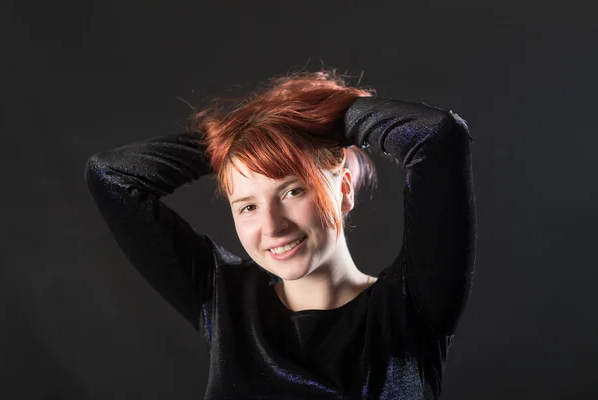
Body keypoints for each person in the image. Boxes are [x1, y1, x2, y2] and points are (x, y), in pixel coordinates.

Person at [85, 69, 477, 399]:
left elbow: (437, 136)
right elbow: (112, 176)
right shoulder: (225, 300)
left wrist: (314, 119)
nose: (272, 226)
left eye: (292, 191)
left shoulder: (413, 306)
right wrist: (241, 136)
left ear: (342, 190)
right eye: (248, 206)